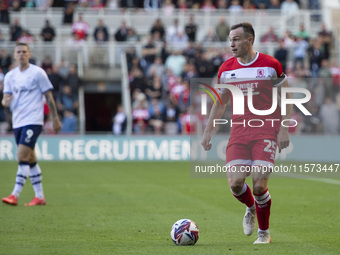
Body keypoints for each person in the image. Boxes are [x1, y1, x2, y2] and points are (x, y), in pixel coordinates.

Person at [201, 22, 292, 244]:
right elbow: (220, 102)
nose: (231, 44)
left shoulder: (271, 65)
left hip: (266, 129)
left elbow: (287, 95)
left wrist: (285, 128)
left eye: (236, 39)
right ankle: (250, 207)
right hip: (239, 131)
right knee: (234, 183)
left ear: (249, 40)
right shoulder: (226, 69)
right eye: (230, 40)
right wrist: (207, 131)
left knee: (259, 184)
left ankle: (264, 234)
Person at [1, 43, 61, 206]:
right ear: (14, 55)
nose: (21, 54)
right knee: (31, 157)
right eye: (18, 52)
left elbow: (49, 96)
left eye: (24, 52)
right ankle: (39, 196)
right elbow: (6, 99)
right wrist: (5, 101)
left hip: (34, 120)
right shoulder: (10, 76)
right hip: (18, 121)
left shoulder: (38, 73)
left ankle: (15, 194)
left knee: (21, 155)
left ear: (29, 54)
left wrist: (55, 118)